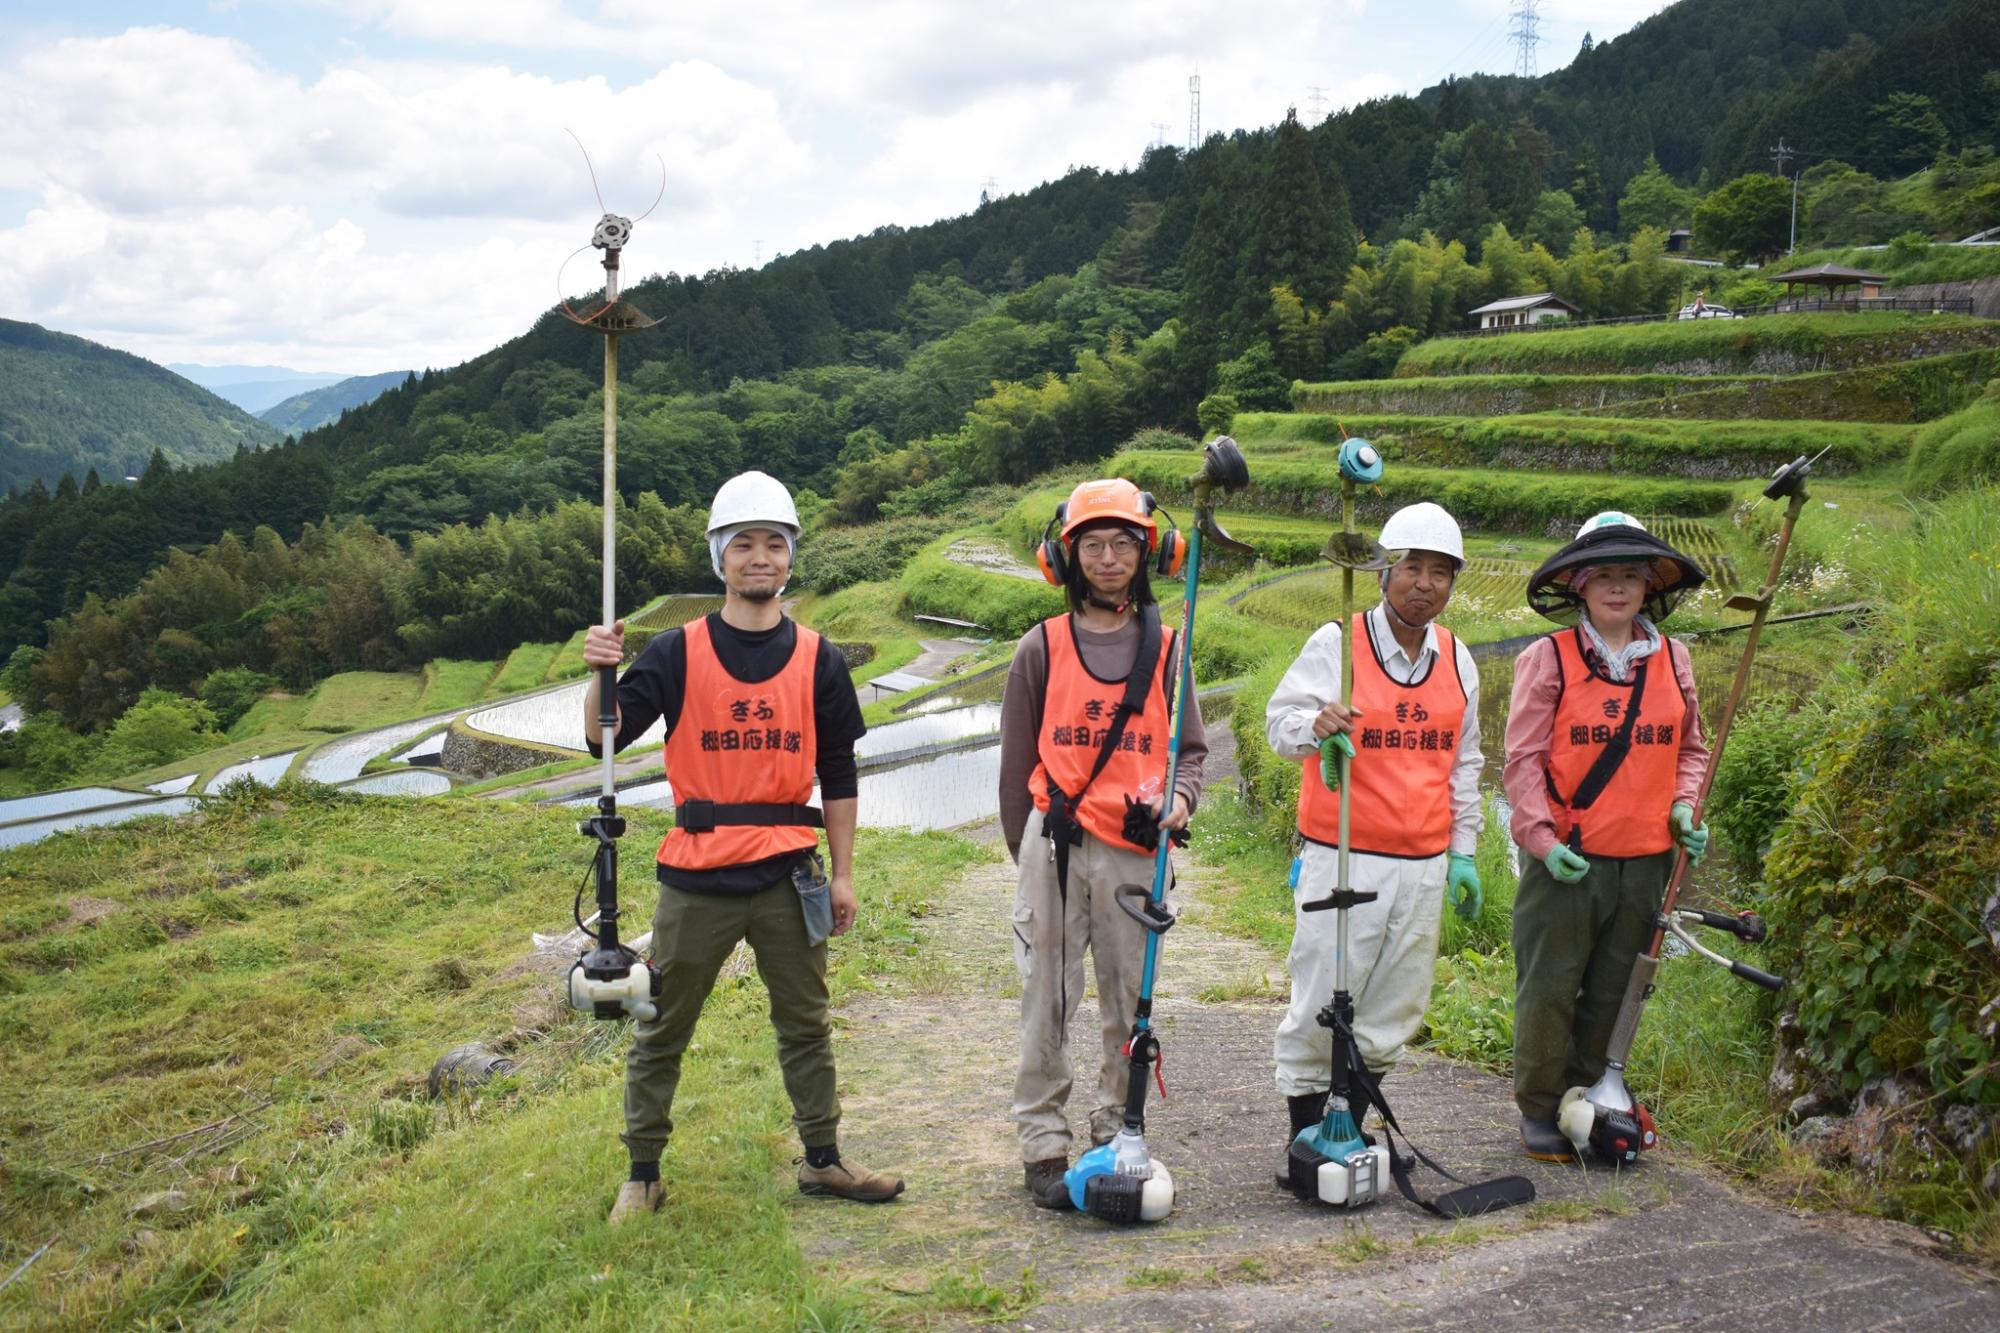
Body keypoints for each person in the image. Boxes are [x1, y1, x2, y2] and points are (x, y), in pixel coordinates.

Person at [582, 470, 904, 1222]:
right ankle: (643, 1170)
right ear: (721, 557)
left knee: (806, 1021)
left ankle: (823, 1158)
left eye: (775, 544)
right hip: (696, 878)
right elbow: (604, 733)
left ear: (791, 557)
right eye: (744, 544)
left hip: (792, 875)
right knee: (661, 1023)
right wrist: (600, 669)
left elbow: (839, 772)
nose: (760, 557)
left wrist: (847, 875)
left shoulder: (819, 657)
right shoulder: (675, 651)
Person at [998, 477, 1207, 1210]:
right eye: (1094, 544)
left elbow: (1191, 753)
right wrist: (1023, 853)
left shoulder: (1170, 647)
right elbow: (1014, 761)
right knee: (1048, 998)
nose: (1110, 557)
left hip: (1135, 850)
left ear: (1149, 553)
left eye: (1124, 543)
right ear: (1067, 555)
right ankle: (1043, 1145)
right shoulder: (1041, 646)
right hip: (1054, 844)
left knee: (1128, 1002)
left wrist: (1177, 802)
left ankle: (1117, 1125)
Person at [1264, 502, 1485, 1156]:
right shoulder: (1338, 643)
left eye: (1441, 572)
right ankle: (1306, 1137)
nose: (1425, 583)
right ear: (1385, 571)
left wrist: (1463, 853)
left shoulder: (1460, 659)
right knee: (1320, 1000)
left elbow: (1465, 761)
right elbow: (1281, 728)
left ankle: (1350, 1125)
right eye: (1412, 567)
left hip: (1422, 863)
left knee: (1394, 1006)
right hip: (1345, 855)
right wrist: (1318, 725)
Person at [1503, 511, 1711, 1162]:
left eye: (1631, 574)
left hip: (1646, 860)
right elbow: (1523, 760)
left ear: (1650, 586)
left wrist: (1684, 808)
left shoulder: (1674, 659)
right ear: (1580, 585)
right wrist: (1539, 837)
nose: (1618, 587)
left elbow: (1692, 750)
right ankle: (1540, 1106)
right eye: (1604, 576)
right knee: (1551, 983)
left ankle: (1589, 1095)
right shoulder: (1549, 659)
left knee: (1618, 987)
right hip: (1569, 859)